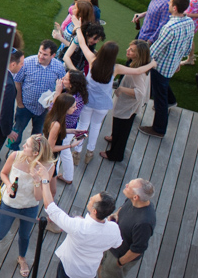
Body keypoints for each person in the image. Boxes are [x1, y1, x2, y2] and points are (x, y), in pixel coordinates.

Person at [35, 174, 121, 278]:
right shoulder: (113, 229)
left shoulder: (78, 226)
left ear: (95, 211)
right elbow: (117, 243)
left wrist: (45, 181)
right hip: (89, 272)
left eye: (92, 199)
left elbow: (50, 207)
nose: (89, 199)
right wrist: (110, 222)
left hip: (69, 269)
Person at [66, 24, 156, 166]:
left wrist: (78, 28)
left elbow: (82, 43)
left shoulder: (93, 60)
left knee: (83, 125)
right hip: (102, 105)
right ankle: (90, 152)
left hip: (87, 101)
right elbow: (139, 71)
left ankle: (77, 151)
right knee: (95, 127)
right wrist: (152, 64)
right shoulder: (117, 68)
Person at [0, 135, 55, 278]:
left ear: (36, 153)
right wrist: (8, 184)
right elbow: (3, 173)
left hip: (30, 206)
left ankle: (22, 258)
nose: (23, 146)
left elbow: (38, 197)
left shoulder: (48, 167)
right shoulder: (16, 156)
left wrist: (37, 180)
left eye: (27, 145)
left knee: (24, 235)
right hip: (10, 204)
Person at [91, 178, 156, 278]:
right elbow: (122, 208)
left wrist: (120, 262)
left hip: (120, 255)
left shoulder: (144, 222)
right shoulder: (133, 201)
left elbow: (137, 249)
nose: (126, 185)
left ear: (136, 196)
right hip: (111, 244)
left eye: (129, 187)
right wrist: (115, 215)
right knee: (102, 268)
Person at [138, 0, 195, 138]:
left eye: (170, 2)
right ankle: (172, 100)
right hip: (173, 63)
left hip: (161, 67)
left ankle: (158, 129)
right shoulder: (189, 21)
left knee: (159, 98)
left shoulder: (169, 28)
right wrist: (178, 61)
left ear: (174, 8)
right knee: (164, 86)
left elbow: (155, 50)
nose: (168, 4)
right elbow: (188, 45)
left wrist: (142, 62)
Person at [6, 40, 66, 146]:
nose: (41, 56)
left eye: (45, 54)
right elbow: (17, 82)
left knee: (37, 136)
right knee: (16, 131)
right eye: (40, 52)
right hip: (25, 107)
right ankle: (11, 150)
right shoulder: (27, 63)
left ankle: (31, 153)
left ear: (53, 55)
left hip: (44, 110)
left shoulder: (59, 68)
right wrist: (19, 103)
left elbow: (62, 86)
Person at [102, 40, 152, 162]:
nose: (127, 50)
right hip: (127, 103)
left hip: (128, 105)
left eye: (132, 50)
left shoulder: (138, 73)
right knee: (118, 123)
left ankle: (115, 154)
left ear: (139, 55)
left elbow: (140, 93)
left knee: (122, 127)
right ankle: (114, 137)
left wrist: (121, 89)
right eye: (129, 48)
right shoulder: (141, 65)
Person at [0, 46, 25, 187]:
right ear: (13, 64)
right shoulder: (9, 85)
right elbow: (5, 112)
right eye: (21, 63)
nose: (23, 66)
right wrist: (8, 131)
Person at [52, 70, 88, 184]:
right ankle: (68, 176)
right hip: (71, 126)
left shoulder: (70, 99)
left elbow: (52, 109)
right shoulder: (80, 94)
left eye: (66, 78)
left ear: (72, 84)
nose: (62, 79)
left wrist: (57, 92)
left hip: (63, 130)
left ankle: (58, 175)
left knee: (61, 153)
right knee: (65, 152)